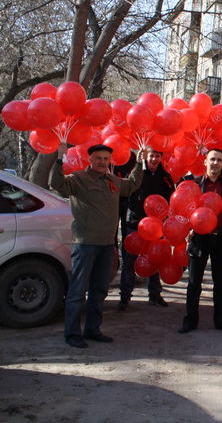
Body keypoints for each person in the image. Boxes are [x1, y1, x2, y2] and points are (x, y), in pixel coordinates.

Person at [50, 143, 144, 348]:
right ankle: (72, 333)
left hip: (107, 245)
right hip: (85, 245)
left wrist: (139, 162)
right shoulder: (78, 180)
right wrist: (59, 159)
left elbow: (131, 185)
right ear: (90, 160)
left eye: (105, 159)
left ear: (110, 161)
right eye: (98, 158)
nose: (102, 162)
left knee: (99, 290)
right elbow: (56, 183)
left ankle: (93, 329)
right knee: (77, 291)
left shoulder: (113, 181)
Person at [179, 148, 222, 334]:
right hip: (198, 238)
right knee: (194, 283)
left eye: (219, 160)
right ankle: (190, 320)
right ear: (205, 161)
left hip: (221, 238)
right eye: (212, 159)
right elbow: (182, 209)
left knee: (220, 284)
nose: (215, 163)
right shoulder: (193, 183)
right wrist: (186, 229)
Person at [119, 147, 175, 310]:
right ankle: (124, 297)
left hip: (156, 228)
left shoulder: (165, 177)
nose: (154, 159)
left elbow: (172, 199)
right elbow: (126, 193)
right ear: (146, 156)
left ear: (161, 158)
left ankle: (155, 295)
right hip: (135, 224)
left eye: (157, 156)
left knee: (155, 260)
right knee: (129, 262)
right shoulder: (136, 173)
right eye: (151, 156)